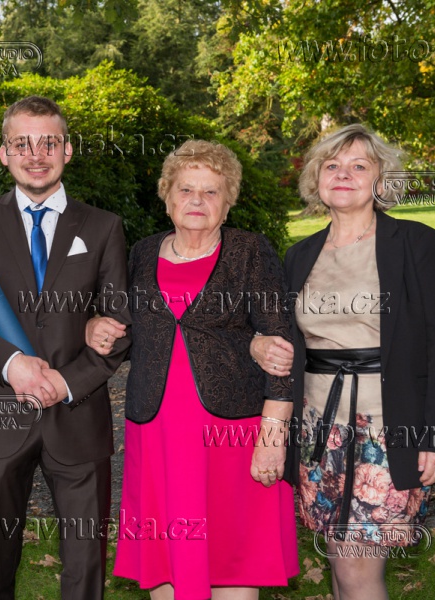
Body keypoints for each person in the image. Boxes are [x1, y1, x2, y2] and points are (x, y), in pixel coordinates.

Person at [252, 124, 435, 600]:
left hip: (389, 430)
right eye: (332, 165)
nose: (342, 174)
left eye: (358, 166)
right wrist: (258, 345)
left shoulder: (415, 242)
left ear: (380, 181)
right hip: (317, 431)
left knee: (355, 567)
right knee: (338, 560)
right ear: (317, 179)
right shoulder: (299, 255)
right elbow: (281, 338)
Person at [88, 139, 299, 600]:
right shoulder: (143, 253)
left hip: (232, 437)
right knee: (166, 562)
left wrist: (273, 435)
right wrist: (96, 327)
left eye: (211, 191)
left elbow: (282, 348)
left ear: (228, 201)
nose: (197, 200)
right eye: (186, 189)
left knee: (233, 560)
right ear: (167, 197)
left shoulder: (250, 251)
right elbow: (135, 333)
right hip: (158, 432)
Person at [0, 95, 131, 599]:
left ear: (67, 150)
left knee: (85, 564)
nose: (36, 155)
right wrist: (13, 366)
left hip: (78, 415)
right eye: (22, 143)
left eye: (48, 142)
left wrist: (66, 382)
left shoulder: (103, 226)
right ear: (3, 153)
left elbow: (119, 325)